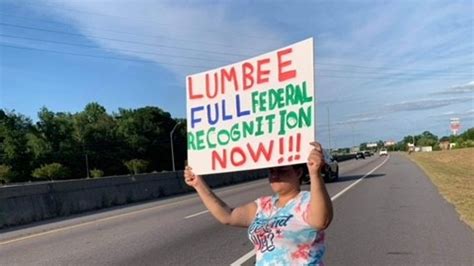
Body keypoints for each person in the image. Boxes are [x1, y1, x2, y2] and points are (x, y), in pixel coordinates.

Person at [184, 142, 333, 265]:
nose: (275, 175)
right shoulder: (263, 205)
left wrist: (314, 173)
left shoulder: (307, 200)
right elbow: (228, 216)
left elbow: (321, 221)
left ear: (298, 173)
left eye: (282, 170)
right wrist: (198, 184)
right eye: (271, 171)